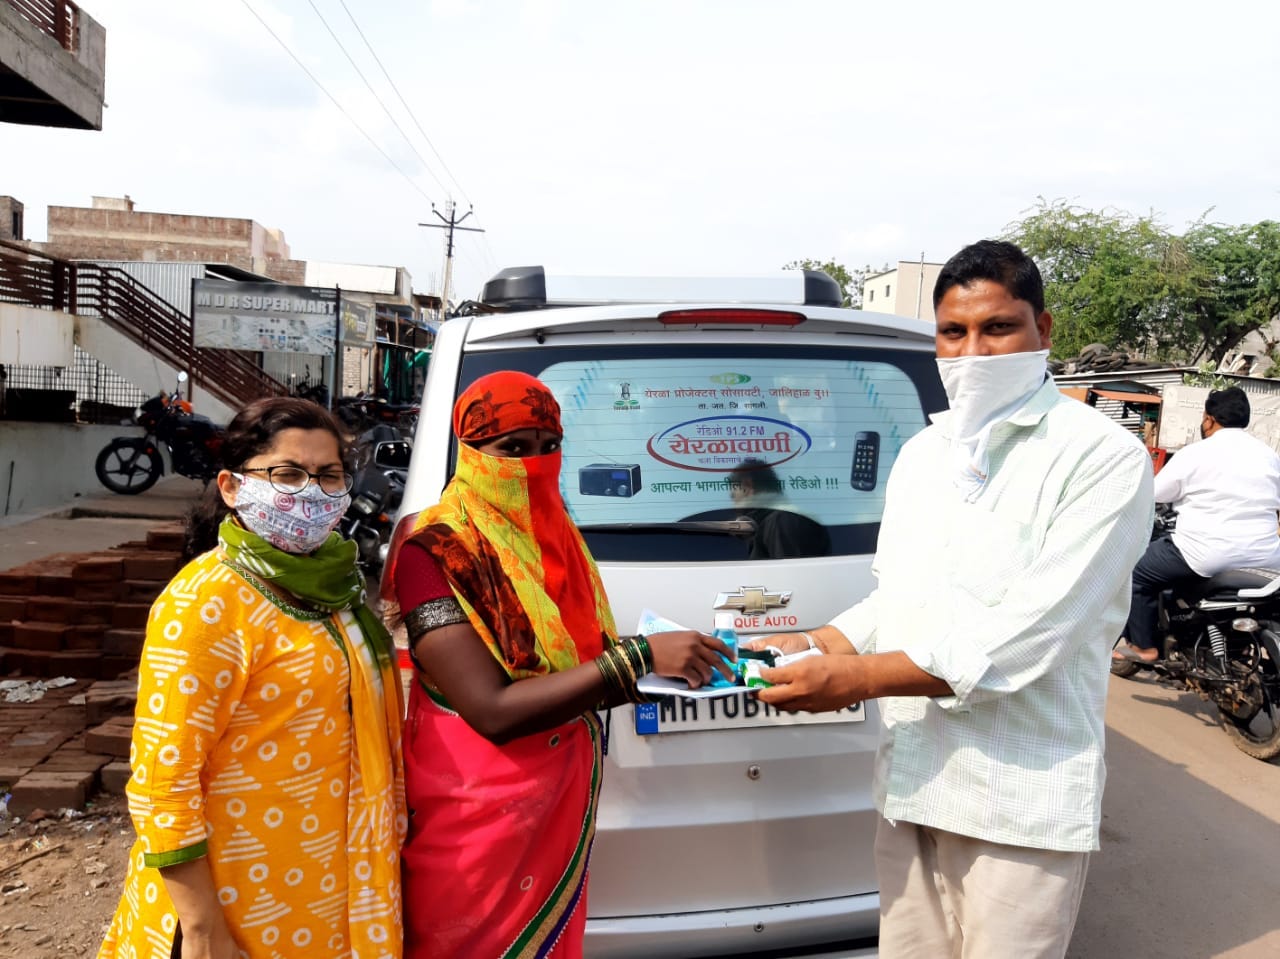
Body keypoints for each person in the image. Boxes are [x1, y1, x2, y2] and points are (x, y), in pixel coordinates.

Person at [747, 240, 1154, 958]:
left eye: (998, 328)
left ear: (1042, 330)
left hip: (1019, 801)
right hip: (914, 780)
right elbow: (898, 596)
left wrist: (855, 677)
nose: (973, 353)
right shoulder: (923, 455)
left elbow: (1032, 633)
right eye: (953, 332)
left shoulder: (1100, 455)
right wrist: (818, 641)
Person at [390, 370, 733, 959]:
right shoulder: (432, 550)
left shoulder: (556, 539)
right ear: (471, 452)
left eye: (549, 445)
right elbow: (490, 708)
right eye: (513, 447)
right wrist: (639, 658)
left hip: (555, 802)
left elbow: (569, 660)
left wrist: (666, 663)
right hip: (476, 814)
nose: (535, 463)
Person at [98, 397, 406, 959]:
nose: (310, 493)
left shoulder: (334, 589)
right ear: (232, 486)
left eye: (328, 475)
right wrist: (203, 929)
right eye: (287, 474)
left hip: (325, 893)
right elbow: (163, 782)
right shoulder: (206, 602)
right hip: (235, 905)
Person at [1114, 386, 1280, 664]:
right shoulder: (1270, 456)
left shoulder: (1196, 453)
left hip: (1205, 552)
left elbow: (1155, 493)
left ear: (1209, 420)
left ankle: (1143, 647)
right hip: (1266, 557)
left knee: (1134, 571)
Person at [728, 458, 831, 559]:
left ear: (747, 486)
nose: (731, 496)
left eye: (734, 489)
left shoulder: (783, 520)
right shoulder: (774, 520)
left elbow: (790, 569)